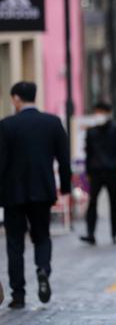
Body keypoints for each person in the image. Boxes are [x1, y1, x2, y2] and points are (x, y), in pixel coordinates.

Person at [0, 82, 71, 309]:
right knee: (42, 236)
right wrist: (66, 186)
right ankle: (42, 269)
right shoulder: (52, 123)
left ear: (16, 98)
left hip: (13, 193)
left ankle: (18, 294)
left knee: (14, 244)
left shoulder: (6, 126)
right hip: (42, 190)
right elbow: (64, 158)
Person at [80, 102, 116, 246]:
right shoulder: (91, 132)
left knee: (114, 201)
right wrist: (88, 172)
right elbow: (89, 153)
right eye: (96, 112)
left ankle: (114, 233)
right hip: (96, 171)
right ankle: (90, 233)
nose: (98, 115)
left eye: (101, 112)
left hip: (112, 171)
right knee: (92, 202)